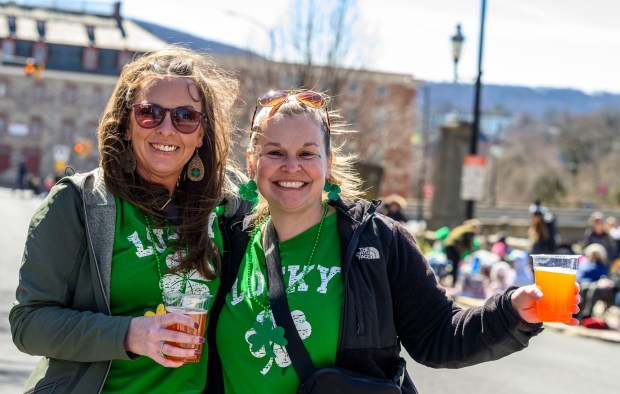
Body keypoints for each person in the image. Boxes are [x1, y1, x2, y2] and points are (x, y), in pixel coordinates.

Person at [206, 89, 580, 394]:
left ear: (327, 161)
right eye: (275, 153)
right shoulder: (231, 241)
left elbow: (440, 335)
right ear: (253, 163)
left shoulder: (377, 241)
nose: (292, 167)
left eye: (307, 153)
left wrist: (512, 311)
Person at [9, 46, 245, 393]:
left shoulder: (225, 210)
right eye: (149, 113)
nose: (167, 129)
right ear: (126, 123)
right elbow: (28, 325)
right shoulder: (78, 203)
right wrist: (130, 335)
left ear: (200, 134)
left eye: (185, 117)